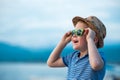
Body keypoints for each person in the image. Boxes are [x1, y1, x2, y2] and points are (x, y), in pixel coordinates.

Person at [47, 16, 106, 80]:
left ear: (94, 39)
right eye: (73, 32)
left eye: (79, 32)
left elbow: (96, 65)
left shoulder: (98, 57)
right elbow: (51, 62)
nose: (74, 35)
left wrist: (89, 39)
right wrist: (63, 42)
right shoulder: (72, 57)